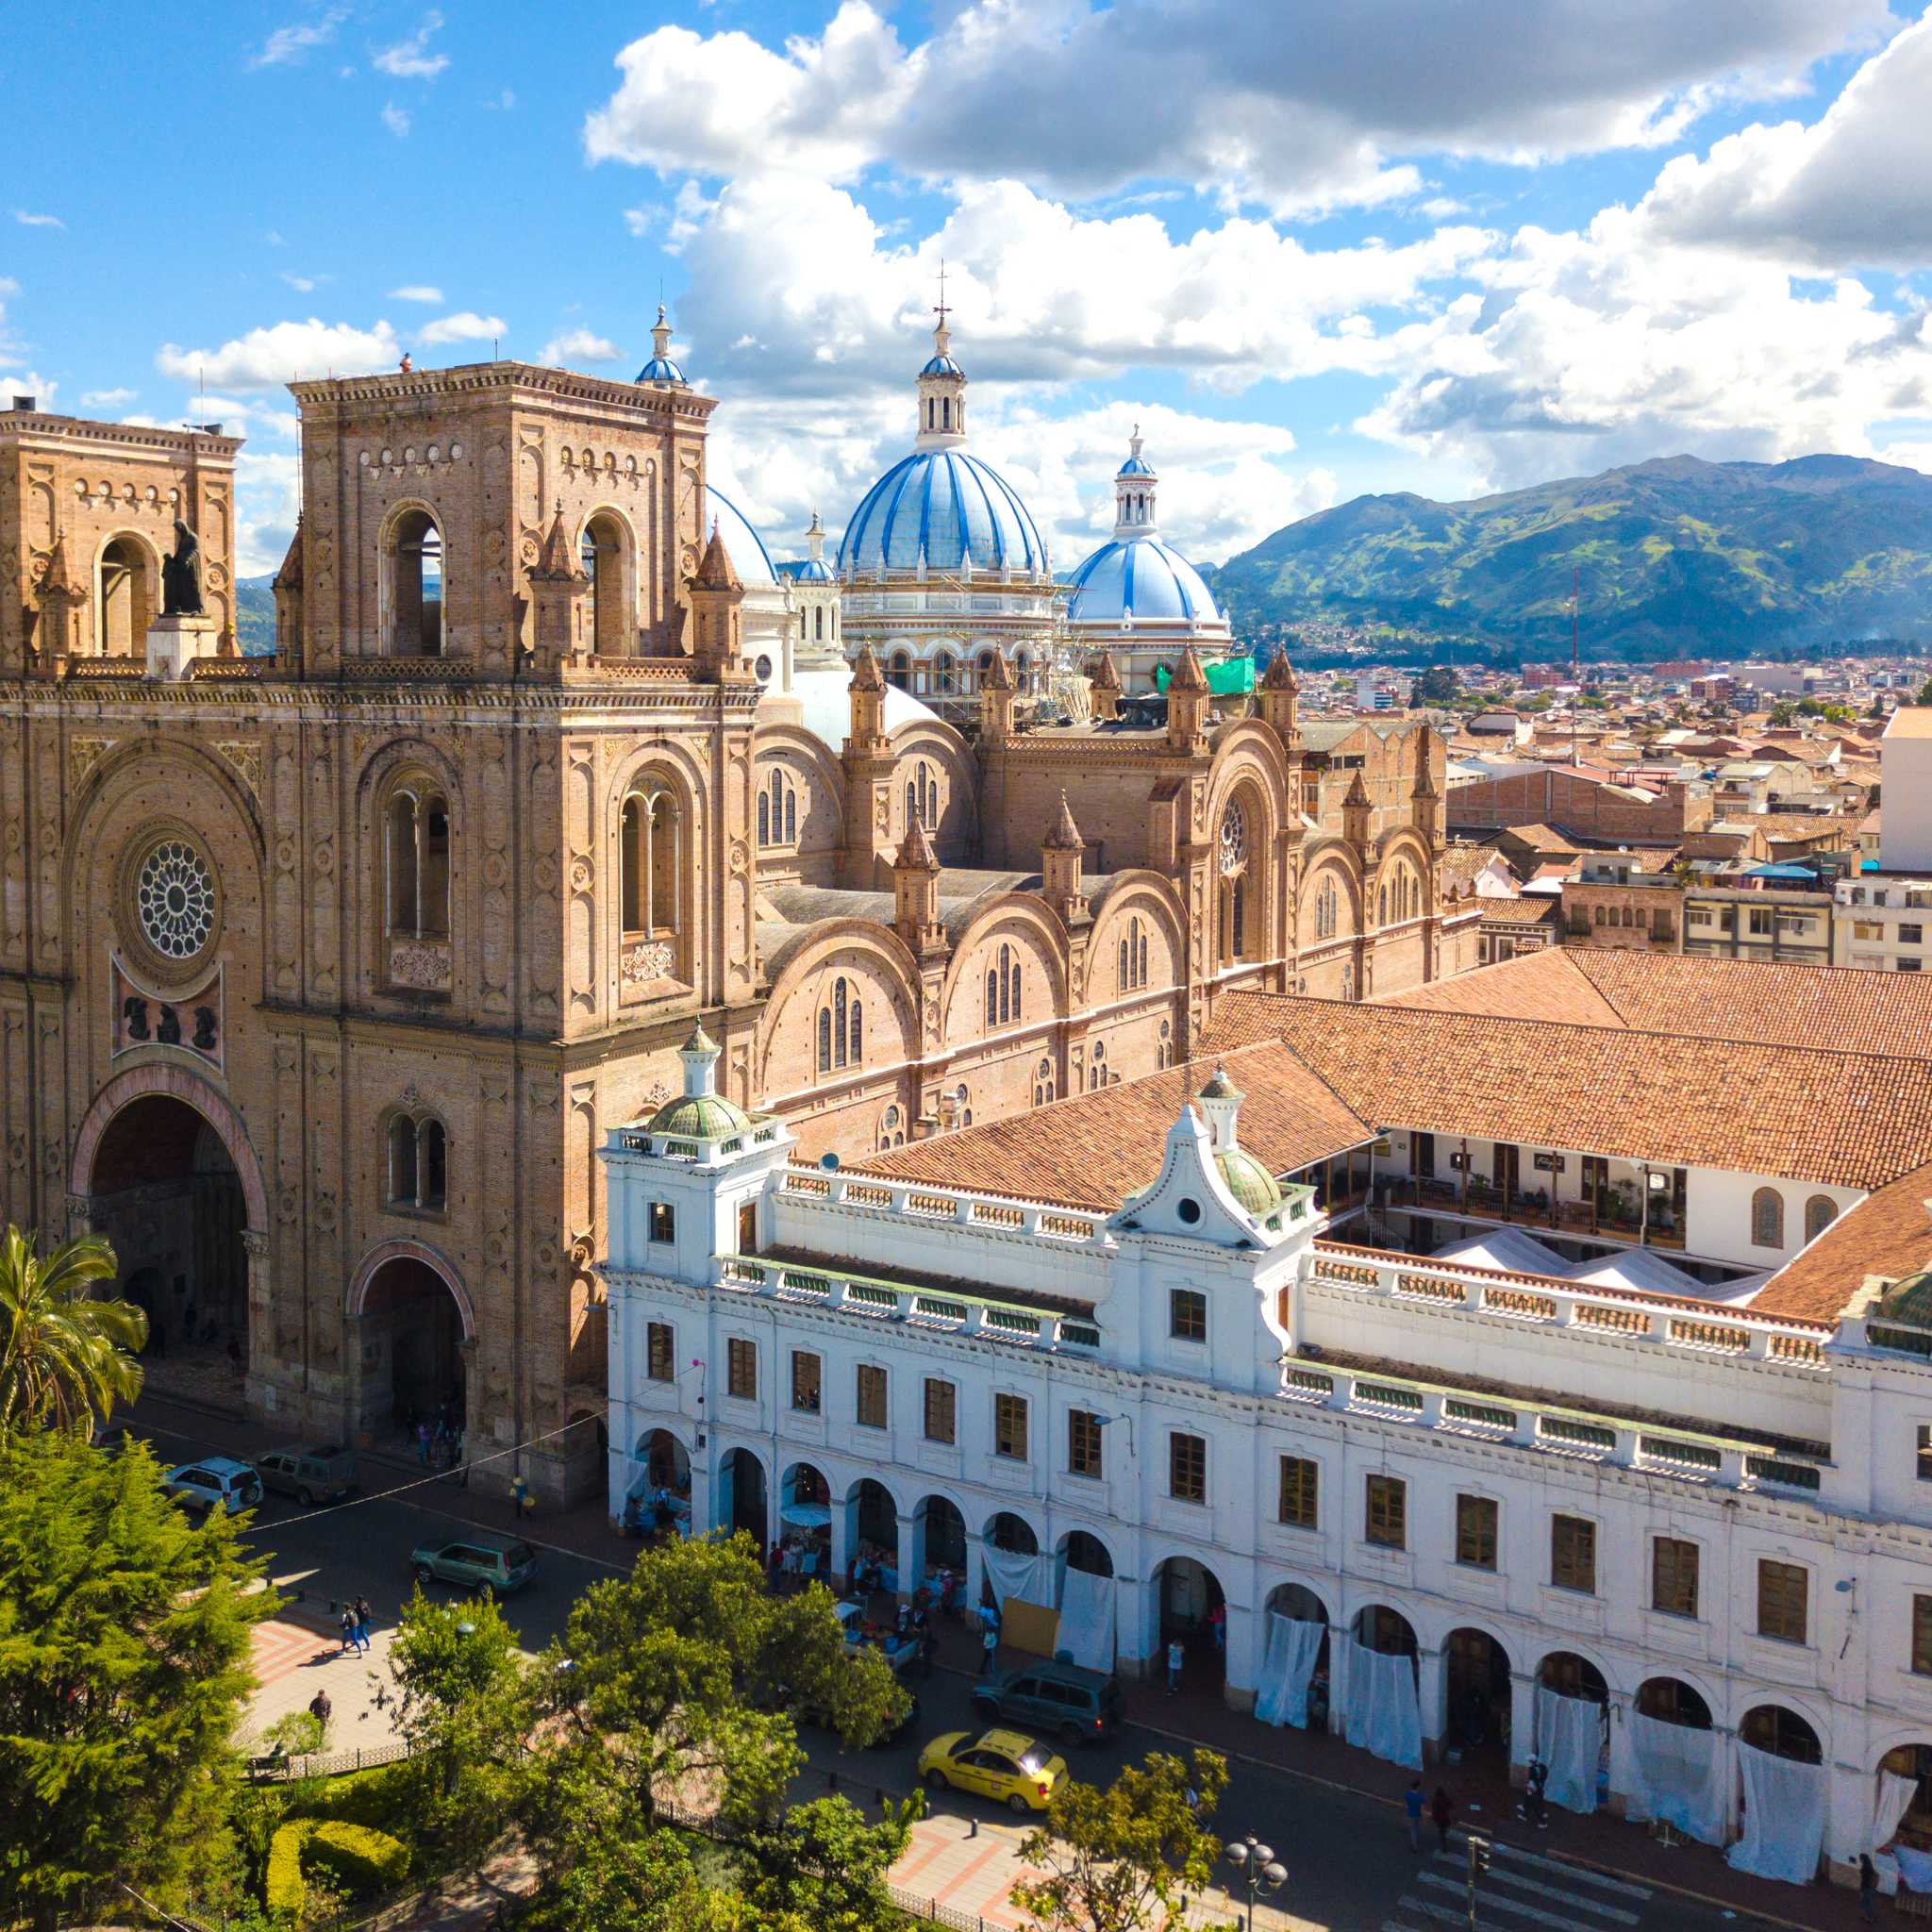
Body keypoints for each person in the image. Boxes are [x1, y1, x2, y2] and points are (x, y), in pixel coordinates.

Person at [1431, 1786, 1454, 1855]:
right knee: (1443, 1831)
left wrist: (1434, 1818)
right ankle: (1444, 1845)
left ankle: (1444, 1848)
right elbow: (1451, 1805)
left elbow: (1434, 1811)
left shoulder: (1435, 1801)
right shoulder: (1446, 1799)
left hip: (1439, 1820)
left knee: (1442, 1834)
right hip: (1446, 1818)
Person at [1405, 1778, 1424, 1853]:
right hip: (1418, 1815)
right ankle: (1416, 1842)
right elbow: (1422, 1808)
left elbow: (1407, 1805)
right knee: (1416, 1828)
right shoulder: (1421, 1797)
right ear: (1418, 1787)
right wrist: (1423, 1817)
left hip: (1410, 1815)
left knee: (1412, 1831)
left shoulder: (1407, 1795)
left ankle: (1414, 1846)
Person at [1860, 1853, 1879, 1924]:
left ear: (1863, 1859)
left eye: (1861, 1859)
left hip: (1866, 1888)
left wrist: (1861, 1890)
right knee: (1867, 1903)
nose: (1860, 1860)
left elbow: (1864, 1880)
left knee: (1865, 1903)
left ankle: (1871, 1917)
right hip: (1870, 1888)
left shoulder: (1865, 1868)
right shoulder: (1869, 1866)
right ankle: (1869, 1916)